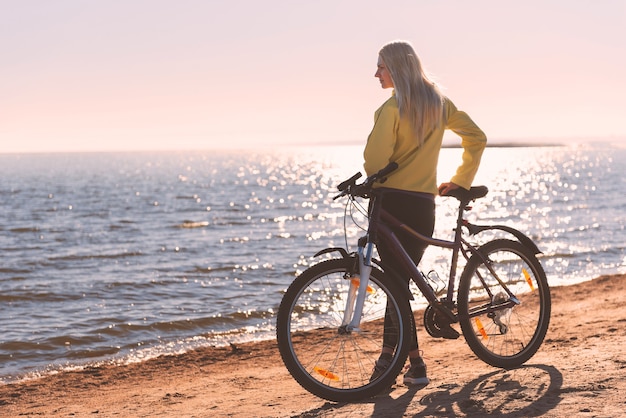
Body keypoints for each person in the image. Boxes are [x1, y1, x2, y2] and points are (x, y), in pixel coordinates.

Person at [364, 40, 487, 386]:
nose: (376, 73)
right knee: (397, 285)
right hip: (422, 208)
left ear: (396, 69)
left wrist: (367, 183)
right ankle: (405, 362)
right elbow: (476, 137)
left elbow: (375, 162)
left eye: (381, 67)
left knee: (395, 285)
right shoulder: (439, 103)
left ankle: (403, 365)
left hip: (392, 203)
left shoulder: (390, 110)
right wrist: (461, 180)